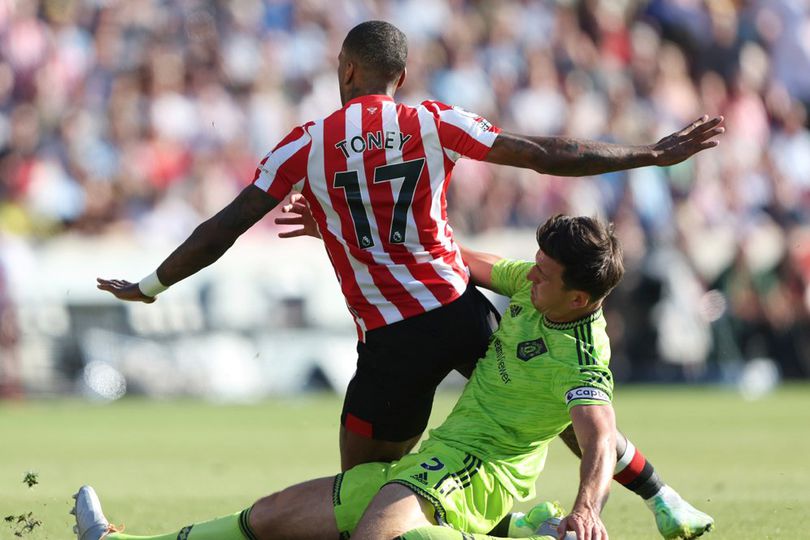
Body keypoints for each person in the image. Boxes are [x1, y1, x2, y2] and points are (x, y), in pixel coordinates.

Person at [97, 19, 723, 472]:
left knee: (361, 488)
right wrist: (648, 154)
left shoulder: (307, 142)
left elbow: (225, 226)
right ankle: (658, 495)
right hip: (459, 308)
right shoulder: (433, 121)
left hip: (391, 337)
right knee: (559, 403)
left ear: (345, 68)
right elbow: (544, 155)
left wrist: (151, 284)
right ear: (401, 77)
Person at [77, 214, 667, 540]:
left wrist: (588, 509)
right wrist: (343, 226)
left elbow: (597, 436)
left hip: (481, 474)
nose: (530, 278)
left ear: (581, 296)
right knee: (273, 515)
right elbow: (451, 258)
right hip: (438, 458)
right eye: (534, 267)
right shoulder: (535, 290)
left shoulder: (585, 356)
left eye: (544, 276)